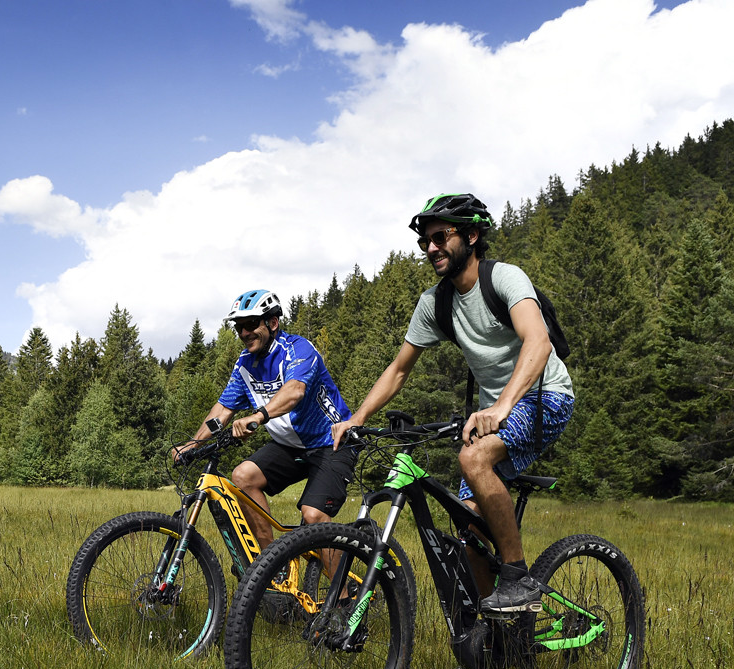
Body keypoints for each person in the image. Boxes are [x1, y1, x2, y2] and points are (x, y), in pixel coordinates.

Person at [331, 193, 575, 614]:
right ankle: (495, 637)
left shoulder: (505, 279)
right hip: (495, 414)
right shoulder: (435, 303)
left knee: (473, 459)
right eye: (426, 241)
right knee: (468, 526)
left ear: (472, 235)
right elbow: (400, 369)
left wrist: (501, 408)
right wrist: (358, 417)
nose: (431, 248)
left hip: (544, 397)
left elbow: (538, 341)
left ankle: (517, 578)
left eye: (440, 237)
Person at [174, 289, 357, 550]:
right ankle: (272, 566)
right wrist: (192, 444)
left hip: (333, 443)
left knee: (313, 516)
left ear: (272, 323)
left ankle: (344, 592)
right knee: (243, 476)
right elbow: (223, 410)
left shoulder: (298, 348)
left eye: (251, 324)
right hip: (290, 447)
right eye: (239, 328)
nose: (245, 333)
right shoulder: (245, 364)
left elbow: (295, 391)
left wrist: (258, 417)